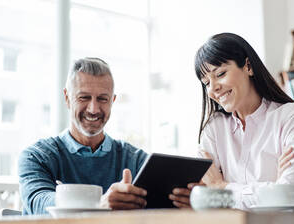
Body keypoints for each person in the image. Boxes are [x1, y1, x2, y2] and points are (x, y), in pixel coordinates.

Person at [19, 57, 184, 215]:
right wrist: (99, 205)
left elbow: (164, 206)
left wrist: (187, 198)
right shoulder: (36, 157)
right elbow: (38, 203)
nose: (93, 109)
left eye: (102, 99)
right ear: (67, 98)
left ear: (112, 101)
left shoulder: (136, 160)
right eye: (84, 97)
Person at [193, 33, 294, 210]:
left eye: (220, 74)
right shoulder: (214, 128)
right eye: (206, 83)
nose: (213, 89)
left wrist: (222, 187)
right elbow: (204, 201)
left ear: (248, 66)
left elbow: (291, 195)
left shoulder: (293, 117)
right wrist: (273, 189)